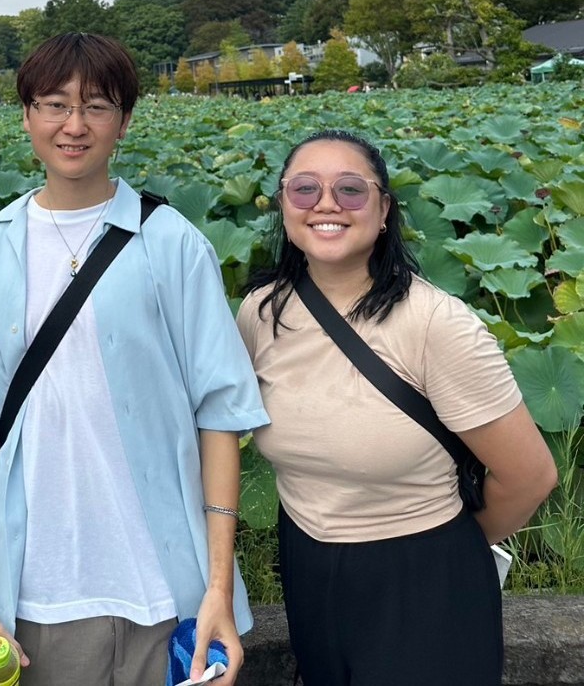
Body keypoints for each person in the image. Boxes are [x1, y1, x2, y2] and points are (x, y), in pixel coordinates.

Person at [0, 32, 269, 686]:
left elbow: (220, 416)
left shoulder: (173, 244)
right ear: (27, 115)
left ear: (125, 120)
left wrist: (219, 587)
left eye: (97, 106)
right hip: (32, 599)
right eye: (55, 104)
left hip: (170, 595)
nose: (74, 125)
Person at [236, 129, 558, 685]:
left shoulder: (436, 323)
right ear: (284, 205)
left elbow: (530, 477)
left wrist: (446, 553)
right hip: (308, 566)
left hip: (425, 578)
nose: (326, 204)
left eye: (350, 189)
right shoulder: (261, 313)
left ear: (384, 209)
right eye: (305, 188)